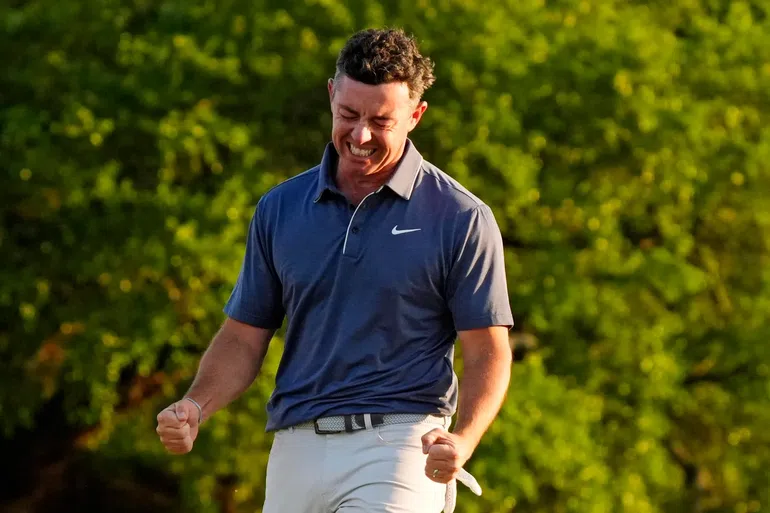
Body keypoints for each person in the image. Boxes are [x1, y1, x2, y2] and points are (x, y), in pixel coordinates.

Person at [156, 27, 514, 513]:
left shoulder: (461, 217)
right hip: (294, 447)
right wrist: (196, 405)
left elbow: (487, 349)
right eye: (348, 115)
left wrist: (464, 439)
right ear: (331, 95)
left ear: (416, 115)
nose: (360, 135)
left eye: (381, 121)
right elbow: (243, 337)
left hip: (400, 448)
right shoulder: (280, 208)